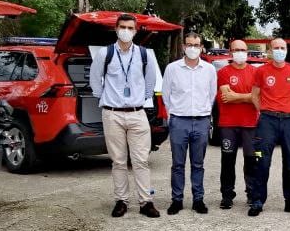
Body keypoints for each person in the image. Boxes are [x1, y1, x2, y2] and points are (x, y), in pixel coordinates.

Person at [90, 13, 159, 218]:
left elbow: (150, 84)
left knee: (141, 161)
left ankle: (145, 202)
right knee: (118, 161)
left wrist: (139, 100)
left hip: (138, 114)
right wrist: (108, 100)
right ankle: (121, 201)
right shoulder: (105, 54)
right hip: (112, 115)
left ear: (136, 31)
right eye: (123, 27)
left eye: (130, 28)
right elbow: (95, 81)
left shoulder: (145, 55)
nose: (126, 31)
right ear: (116, 29)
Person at [249, 38, 290, 217]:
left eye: (282, 48)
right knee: (262, 162)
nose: (279, 50)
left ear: (287, 50)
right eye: (276, 48)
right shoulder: (261, 71)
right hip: (267, 120)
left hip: (289, 121)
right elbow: (254, 96)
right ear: (270, 50)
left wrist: (286, 108)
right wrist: (267, 111)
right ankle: (258, 201)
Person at [161, 32, 218, 215]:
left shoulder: (209, 70)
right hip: (179, 121)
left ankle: (198, 199)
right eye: (189, 45)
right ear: (184, 46)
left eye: (196, 45)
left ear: (201, 47)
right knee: (178, 164)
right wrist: (175, 115)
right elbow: (166, 95)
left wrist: (203, 113)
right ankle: (176, 200)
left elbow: (212, 95)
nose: (193, 48)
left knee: (198, 164)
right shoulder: (172, 68)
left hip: (201, 121)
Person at [216, 39, 258, 210]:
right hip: (228, 124)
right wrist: (249, 97)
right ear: (230, 52)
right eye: (236, 49)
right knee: (227, 160)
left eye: (242, 49)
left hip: (251, 123)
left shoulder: (256, 72)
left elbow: (258, 99)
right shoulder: (223, 72)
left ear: (247, 51)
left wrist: (239, 97)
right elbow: (227, 96)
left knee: (251, 160)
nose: (239, 52)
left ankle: (252, 193)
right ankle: (227, 195)